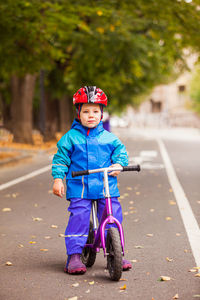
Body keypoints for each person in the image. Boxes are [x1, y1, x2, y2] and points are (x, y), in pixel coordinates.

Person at [52, 86, 132, 275]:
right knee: (79, 216)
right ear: (78, 113)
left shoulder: (109, 138)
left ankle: (116, 251)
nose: (91, 115)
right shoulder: (70, 138)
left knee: (112, 216)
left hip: (105, 186)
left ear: (102, 113)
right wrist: (58, 179)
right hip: (80, 187)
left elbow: (121, 152)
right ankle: (74, 255)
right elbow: (61, 160)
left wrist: (119, 164)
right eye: (86, 111)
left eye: (95, 111)